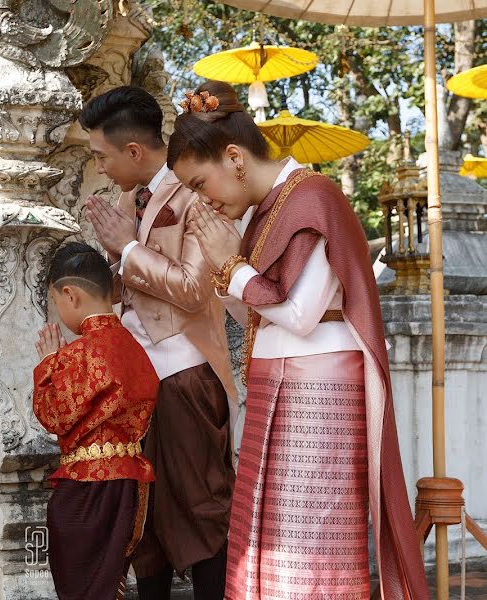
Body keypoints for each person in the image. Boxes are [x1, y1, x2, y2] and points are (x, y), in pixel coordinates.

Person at [172, 80, 429, 599]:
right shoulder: (265, 213)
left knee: (306, 554)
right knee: (266, 547)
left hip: (318, 394)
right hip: (277, 387)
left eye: (200, 184)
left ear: (234, 157)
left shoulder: (314, 197)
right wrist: (231, 272)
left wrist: (231, 266)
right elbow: (255, 314)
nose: (204, 200)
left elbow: (300, 313)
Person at [81, 86, 237, 600]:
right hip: (137, 378)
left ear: (133, 150)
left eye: (101, 156)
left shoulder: (195, 195)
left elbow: (194, 290)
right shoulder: (128, 202)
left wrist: (127, 247)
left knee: (199, 506)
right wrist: (113, 261)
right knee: (141, 512)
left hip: (186, 373)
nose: (99, 167)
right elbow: (128, 287)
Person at [32, 242, 159, 600]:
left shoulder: (79, 354)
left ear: (70, 295)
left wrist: (48, 366)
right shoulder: (134, 348)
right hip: (131, 483)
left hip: (87, 487)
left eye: (57, 303)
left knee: (81, 587)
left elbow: (53, 414)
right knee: (109, 579)